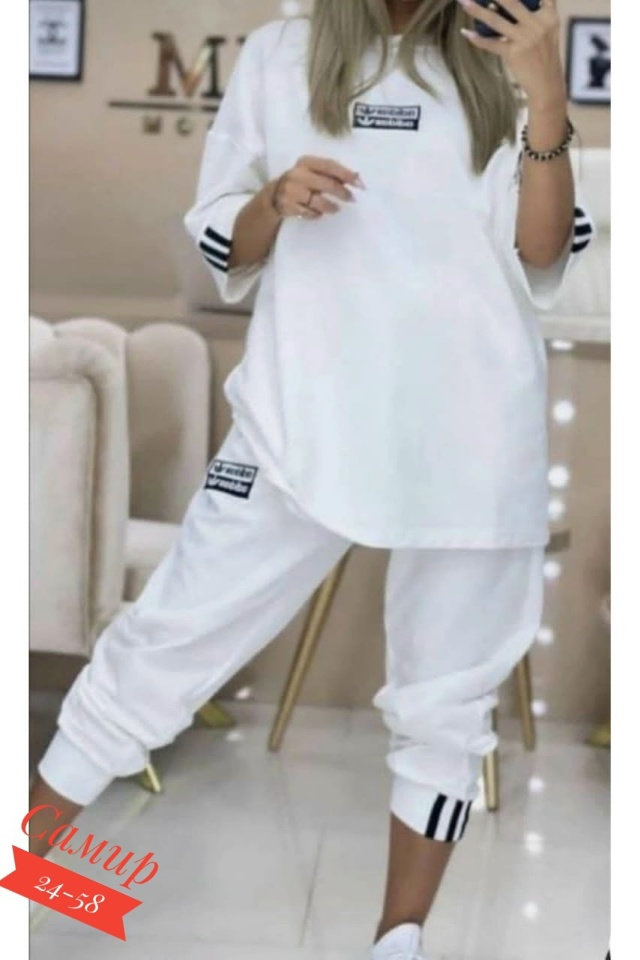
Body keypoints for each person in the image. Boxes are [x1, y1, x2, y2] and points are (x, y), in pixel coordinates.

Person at [29, 1, 594, 957]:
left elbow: (542, 252)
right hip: (296, 418)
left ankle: (398, 940)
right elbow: (222, 233)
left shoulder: (506, 58)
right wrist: (274, 200)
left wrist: (544, 97)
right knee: (163, 643)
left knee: (447, 706)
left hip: (471, 427)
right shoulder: (280, 56)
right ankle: (22, 875)